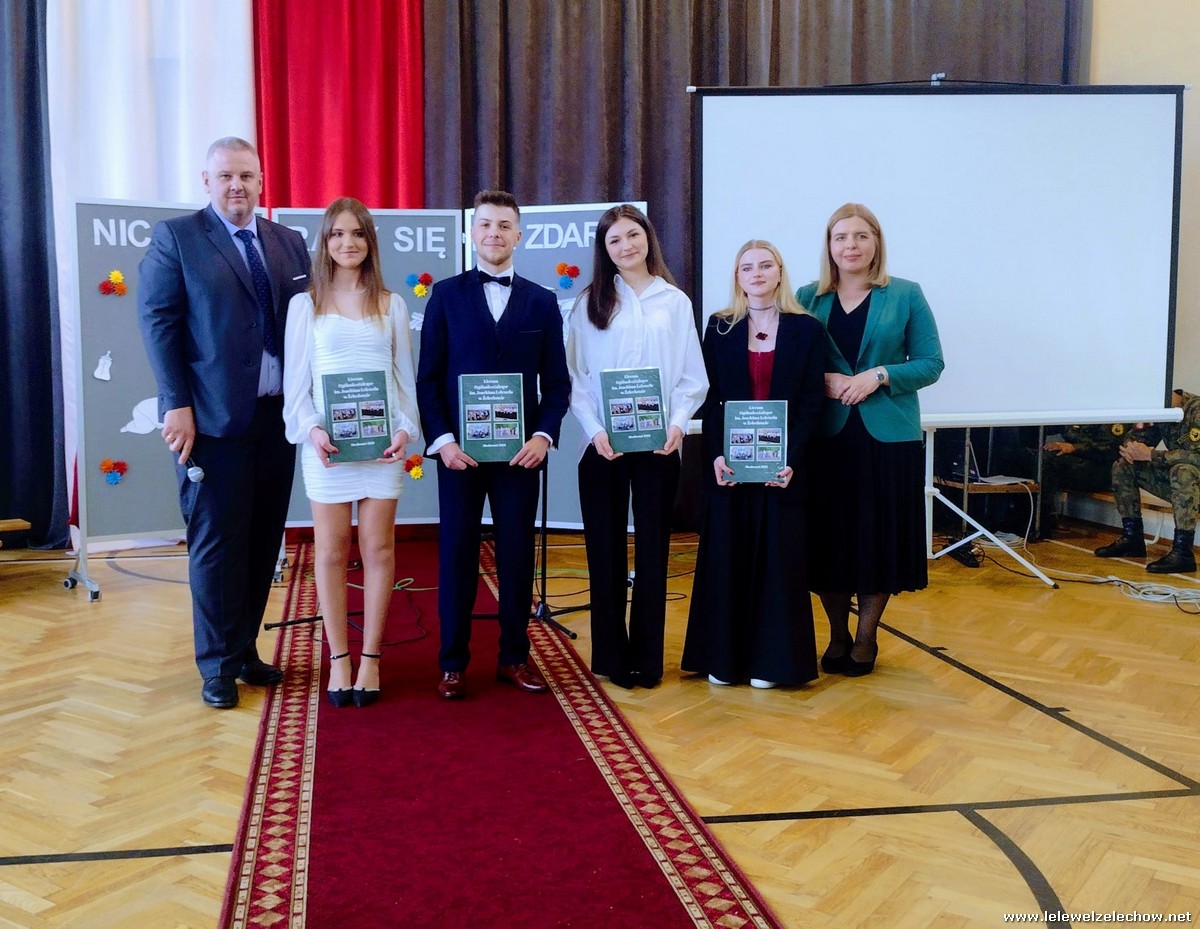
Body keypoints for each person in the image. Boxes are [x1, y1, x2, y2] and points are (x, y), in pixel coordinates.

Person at [138, 137, 311, 709]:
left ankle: (242, 651)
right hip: (210, 422)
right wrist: (175, 403)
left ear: (261, 181)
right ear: (207, 182)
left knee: (263, 541)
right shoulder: (178, 238)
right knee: (217, 546)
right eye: (227, 176)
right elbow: (159, 322)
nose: (238, 185)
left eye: (247, 175)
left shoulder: (288, 243)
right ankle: (215, 666)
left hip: (277, 420)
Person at [416, 190, 571, 699]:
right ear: (472, 232)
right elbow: (428, 379)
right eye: (485, 224)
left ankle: (514, 658)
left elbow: (558, 384)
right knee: (457, 555)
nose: (494, 233)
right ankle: (452, 664)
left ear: (518, 235)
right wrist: (442, 442)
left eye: (504, 225)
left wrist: (543, 436)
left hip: (520, 457)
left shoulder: (543, 301)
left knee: (517, 556)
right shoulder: (445, 296)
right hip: (458, 456)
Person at [282, 198, 421, 707]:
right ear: (325, 242)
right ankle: (339, 658)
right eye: (337, 233)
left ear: (370, 241)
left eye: (357, 233)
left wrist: (405, 429)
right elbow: (297, 386)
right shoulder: (305, 305)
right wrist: (312, 430)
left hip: (381, 448)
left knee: (379, 550)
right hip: (328, 449)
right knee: (330, 552)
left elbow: (404, 380)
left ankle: (371, 659)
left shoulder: (392, 304)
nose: (348, 242)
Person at [797, 203, 944, 677]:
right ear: (829, 246)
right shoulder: (806, 297)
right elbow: (791, 362)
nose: (851, 246)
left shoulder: (905, 294)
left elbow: (931, 363)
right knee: (830, 539)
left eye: (861, 236)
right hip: (826, 440)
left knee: (878, 539)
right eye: (841, 237)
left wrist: (879, 375)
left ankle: (866, 638)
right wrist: (821, 379)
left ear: (876, 242)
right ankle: (837, 635)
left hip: (888, 439)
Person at [565, 204, 707, 689]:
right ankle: (611, 657)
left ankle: (648, 660)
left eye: (633, 235)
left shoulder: (675, 302)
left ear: (648, 237)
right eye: (614, 240)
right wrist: (594, 429)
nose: (626, 245)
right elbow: (576, 376)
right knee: (604, 552)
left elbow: (692, 376)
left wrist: (678, 423)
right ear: (603, 250)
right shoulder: (589, 303)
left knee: (653, 552)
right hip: (604, 445)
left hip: (660, 446)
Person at [680, 240, 824, 688]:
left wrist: (792, 459)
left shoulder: (807, 329)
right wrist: (717, 453)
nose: (757, 273)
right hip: (731, 467)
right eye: (747, 267)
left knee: (778, 563)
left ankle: (772, 664)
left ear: (780, 272)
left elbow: (811, 404)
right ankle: (723, 660)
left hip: (783, 470)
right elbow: (711, 399)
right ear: (737, 277)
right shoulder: (719, 327)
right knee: (727, 557)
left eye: (765, 265)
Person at [1094, 389, 1200, 573]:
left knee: (1183, 471)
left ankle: (1183, 552)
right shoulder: (1160, 412)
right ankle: (1132, 538)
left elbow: (1197, 457)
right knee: (1123, 466)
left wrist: (1152, 454)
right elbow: (1136, 440)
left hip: (1190, 480)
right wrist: (1131, 447)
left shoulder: (1196, 410)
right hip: (1184, 485)